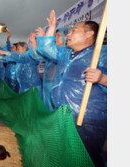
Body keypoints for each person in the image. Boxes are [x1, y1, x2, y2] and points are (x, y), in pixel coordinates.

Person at [37, 10, 107, 167]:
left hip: (88, 120)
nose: (68, 34)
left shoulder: (103, 53)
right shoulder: (65, 54)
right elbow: (46, 48)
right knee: (66, 154)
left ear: (89, 34)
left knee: (87, 158)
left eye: (74, 30)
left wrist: (102, 78)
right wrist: (52, 27)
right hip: (63, 114)